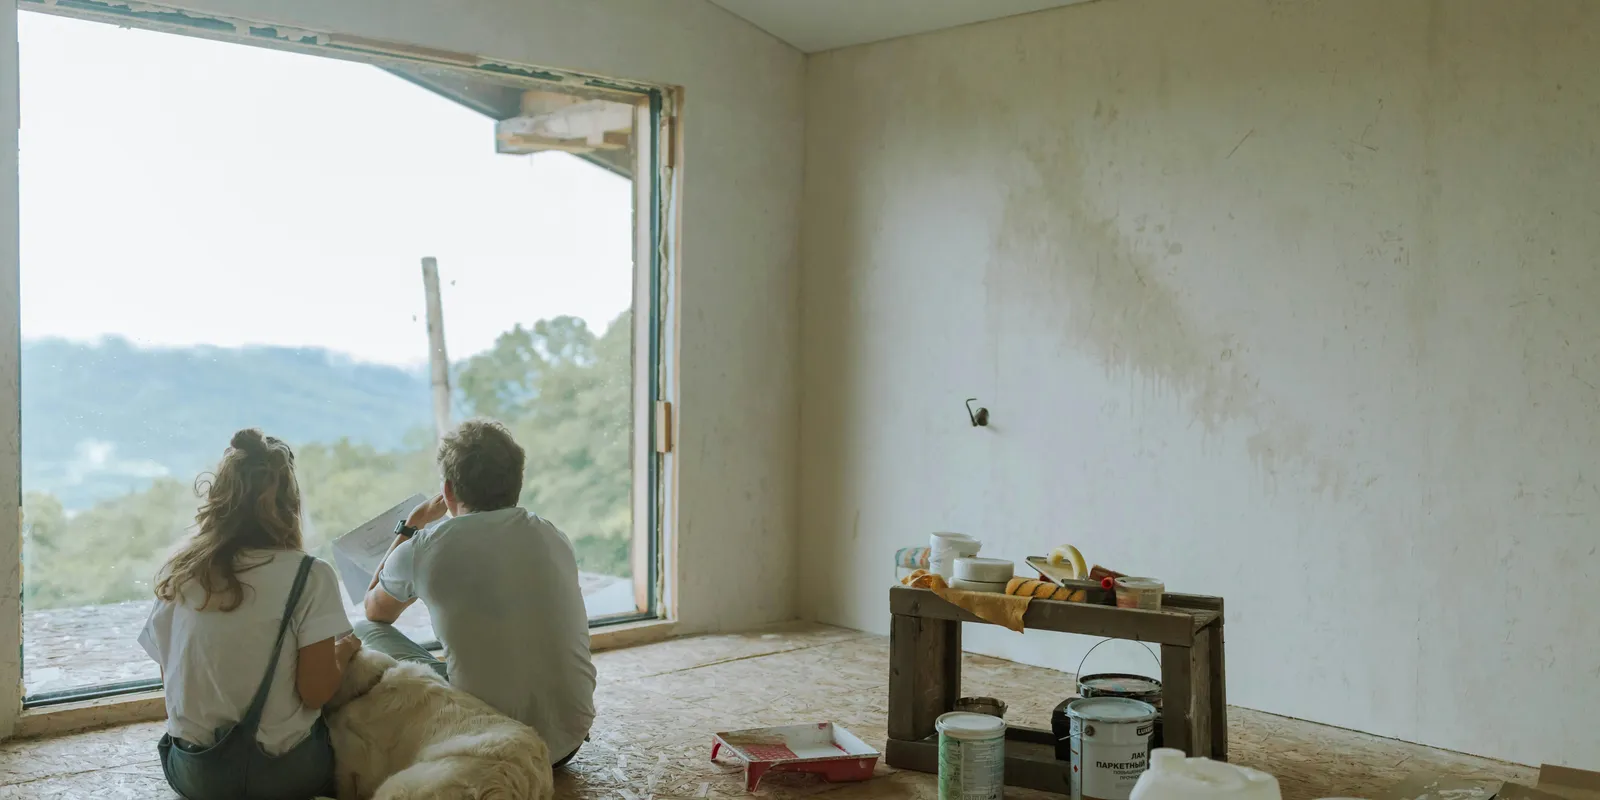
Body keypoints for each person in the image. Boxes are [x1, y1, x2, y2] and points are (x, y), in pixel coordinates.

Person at [356, 418, 596, 769]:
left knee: (364, 633)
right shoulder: (551, 535)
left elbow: (374, 610)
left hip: (492, 748)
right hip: (569, 740)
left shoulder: (425, 547)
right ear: (517, 481)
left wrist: (411, 526)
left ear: (448, 490)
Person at [138, 429, 362, 800]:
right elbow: (315, 692)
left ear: (219, 499)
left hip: (196, 775)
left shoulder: (180, 572)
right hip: (282, 777)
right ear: (291, 505)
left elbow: (171, 678)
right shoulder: (310, 575)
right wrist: (344, 652)